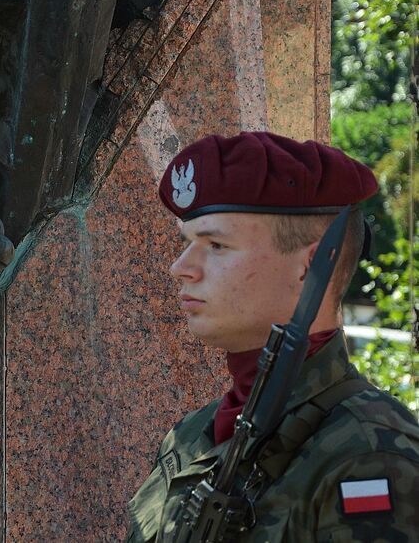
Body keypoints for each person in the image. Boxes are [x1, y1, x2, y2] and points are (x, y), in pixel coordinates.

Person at [125, 132, 419, 541]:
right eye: (188, 242)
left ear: (311, 265)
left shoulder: (369, 453)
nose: (181, 267)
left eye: (216, 244)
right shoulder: (193, 436)